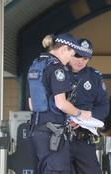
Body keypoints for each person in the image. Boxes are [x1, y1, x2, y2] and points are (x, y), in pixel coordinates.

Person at [27, 33, 92, 174]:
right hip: (53, 136)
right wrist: (80, 114)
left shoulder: (35, 65)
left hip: (36, 132)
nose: (70, 60)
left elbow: (32, 105)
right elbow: (61, 103)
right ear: (64, 49)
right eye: (72, 54)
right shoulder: (56, 67)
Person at [68, 38, 110, 174]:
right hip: (59, 140)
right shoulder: (57, 73)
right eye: (77, 55)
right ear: (70, 52)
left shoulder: (95, 77)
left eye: (85, 58)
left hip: (83, 139)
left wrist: (85, 117)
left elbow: (104, 108)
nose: (80, 61)